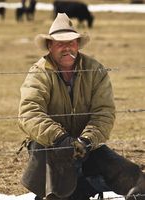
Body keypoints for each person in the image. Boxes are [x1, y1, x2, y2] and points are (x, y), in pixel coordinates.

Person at [18, 13, 145, 200]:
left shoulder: (94, 70)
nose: (67, 48)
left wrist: (86, 140)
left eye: (72, 42)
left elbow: (104, 113)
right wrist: (60, 138)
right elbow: (29, 113)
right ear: (50, 46)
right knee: (56, 186)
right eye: (60, 43)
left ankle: (135, 192)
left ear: (78, 44)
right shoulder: (39, 72)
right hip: (49, 144)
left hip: (85, 143)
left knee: (125, 172)